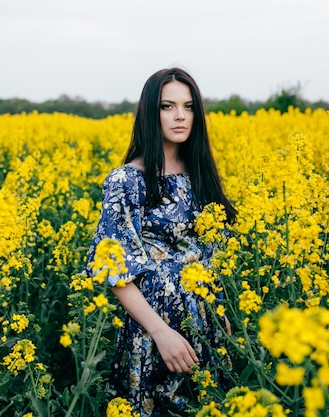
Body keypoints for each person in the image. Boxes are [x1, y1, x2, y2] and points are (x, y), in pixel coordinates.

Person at [84, 67, 237, 416]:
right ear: (150, 113)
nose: (181, 116)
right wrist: (160, 332)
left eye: (188, 106)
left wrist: (221, 309)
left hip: (207, 319)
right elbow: (115, 269)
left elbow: (212, 256)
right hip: (156, 329)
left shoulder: (200, 175)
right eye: (168, 106)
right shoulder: (126, 180)